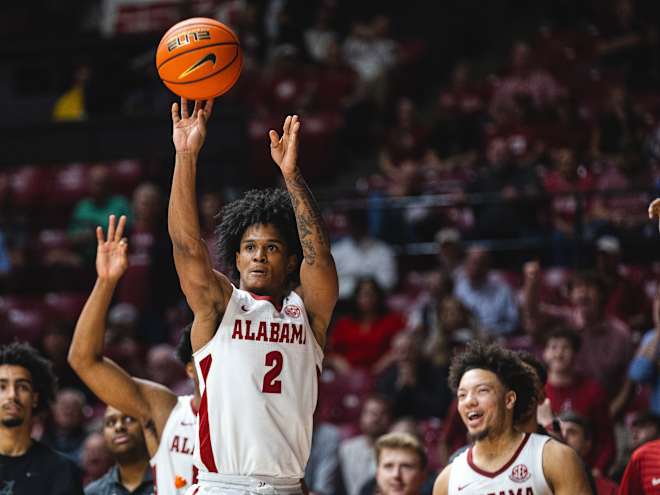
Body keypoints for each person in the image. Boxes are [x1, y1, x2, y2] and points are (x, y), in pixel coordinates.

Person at [168, 99, 338, 495]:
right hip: (222, 485)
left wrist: (292, 176)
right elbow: (186, 248)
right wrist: (186, 156)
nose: (259, 254)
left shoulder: (307, 313)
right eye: (250, 247)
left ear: (291, 259)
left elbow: (321, 258)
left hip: (288, 486)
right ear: (236, 257)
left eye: (272, 247)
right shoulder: (219, 307)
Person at [68, 214, 200, 494]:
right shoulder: (169, 411)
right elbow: (83, 360)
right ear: (190, 368)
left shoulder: (253, 415)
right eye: (207, 355)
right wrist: (105, 283)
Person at [432, 341, 591, 494]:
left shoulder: (555, 458)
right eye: (462, 395)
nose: (470, 402)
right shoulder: (447, 480)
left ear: (509, 399)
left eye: (482, 391)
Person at [0, 341, 84, 494]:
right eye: (2, 387)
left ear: (35, 399)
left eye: (22, 387)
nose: (12, 395)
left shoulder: (62, 469)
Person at [85, 406, 154, 495]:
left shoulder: (170, 478)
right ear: (103, 436)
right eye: (110, 423)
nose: (119, 426)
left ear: (146, 426)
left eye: (129, 419)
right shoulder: (93, 492)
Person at [339, 395, 393, 495]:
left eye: (382, 414)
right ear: (361, 417)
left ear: (389, 419)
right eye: (371, 413)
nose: (376, 419)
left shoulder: (395, 451)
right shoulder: (346, 449)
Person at [557, 411, 618, 495]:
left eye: (572, 432)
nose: (563, 436)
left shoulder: (609, 490)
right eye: (559, 432)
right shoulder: (541, 485)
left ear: (587, 444)